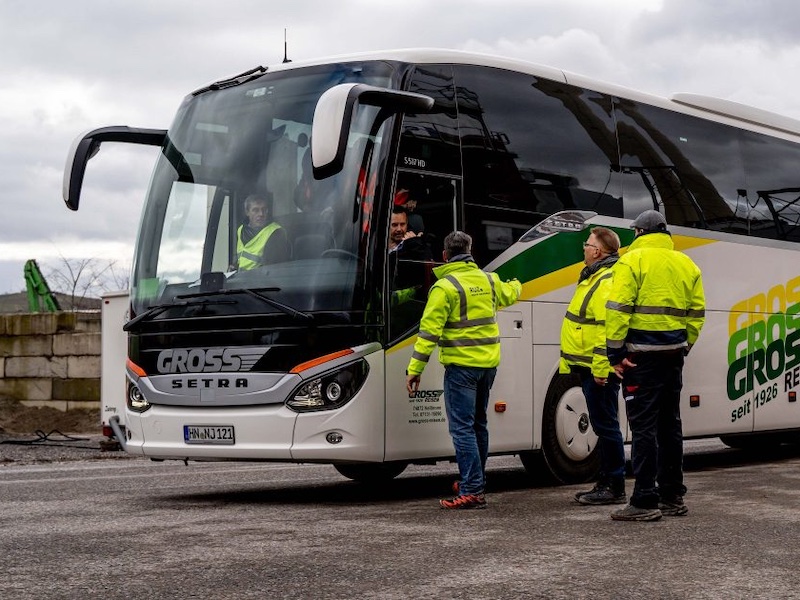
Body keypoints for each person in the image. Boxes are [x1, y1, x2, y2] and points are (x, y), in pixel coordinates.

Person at [406, 231, 521, 509]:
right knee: (479, 424)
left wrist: (415, 369)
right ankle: (476, 481)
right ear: (471, 252)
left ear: (445, 255)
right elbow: (512, 293)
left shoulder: (445, 287)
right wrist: (516, 280)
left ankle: (472, 489)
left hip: (461, 368)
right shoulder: (490, 280)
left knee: (462, 429)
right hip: (488, 366)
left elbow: (428, 333)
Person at [605, 209, 705, 522]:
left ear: (639, 233)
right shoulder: (686, 263)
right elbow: (697, 313)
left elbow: (619, 309)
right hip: (672, 355)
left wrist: (614, 353)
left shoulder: (631, 261)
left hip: (640, 357)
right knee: (670, 425)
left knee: (643, 427)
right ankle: (672, 496)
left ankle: (644, 500)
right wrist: (684, 346)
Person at [560, 227, 627, 506]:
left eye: (587, 245)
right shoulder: (595, 276)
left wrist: (602, 368)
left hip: (599, 370)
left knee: (606, 426)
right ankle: (607, 481)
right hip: (590, 366)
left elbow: (605, 329)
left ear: (598, 251)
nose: (584, 249)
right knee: (603, 425)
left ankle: (614, 485)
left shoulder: (605, 280)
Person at [236, 194, 290, 270]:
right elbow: (242, 258)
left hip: (261, 279)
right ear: (247, 212)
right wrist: (235, 266)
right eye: (255, 210)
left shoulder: (276, 232)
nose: (261, 214)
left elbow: (275, 268)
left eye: (264, 210)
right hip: (242, 278)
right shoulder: (241, 230)